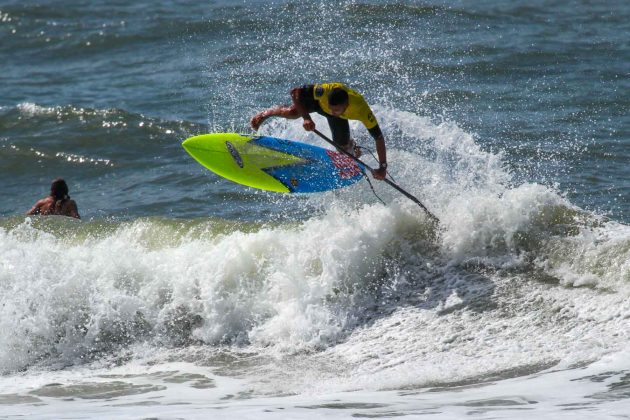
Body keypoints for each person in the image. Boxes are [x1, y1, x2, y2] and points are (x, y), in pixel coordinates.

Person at [251, 82, 388, 180]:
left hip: (340, 117)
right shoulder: (325, 91)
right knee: (293, 112)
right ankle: (267, 113)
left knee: (343, 148)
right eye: (332, 108)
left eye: (336, 109)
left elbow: (378, 137)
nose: (333, 112)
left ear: (346, 105)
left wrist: (382, 168)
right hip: (318, 105)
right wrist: (306, 118)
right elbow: (295, 92)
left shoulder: (362, 110)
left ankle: (353, 148)